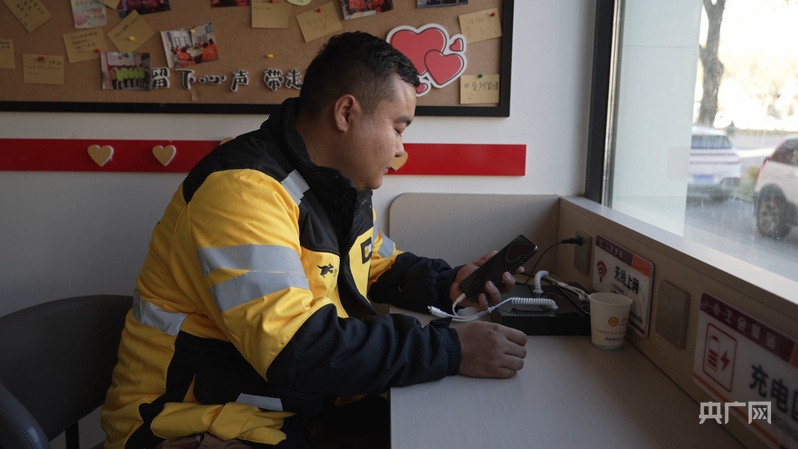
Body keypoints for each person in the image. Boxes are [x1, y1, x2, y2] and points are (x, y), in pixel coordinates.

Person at [101, 31, 527, 449]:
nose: (401, 150)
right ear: (346, 113)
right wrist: (450, 349)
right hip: (189, 421)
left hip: (287, 406)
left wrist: (449, 284)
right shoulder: (243, 191)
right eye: (398, 128)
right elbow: (296, 348)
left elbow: (376, 263)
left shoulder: (339, 188)